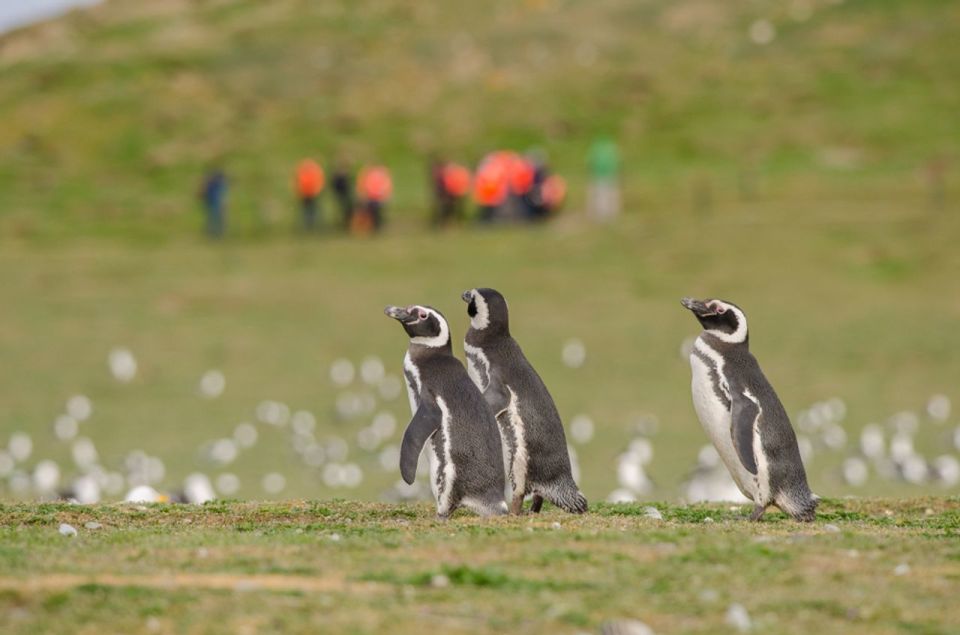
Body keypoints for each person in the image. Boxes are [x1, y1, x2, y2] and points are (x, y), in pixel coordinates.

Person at [587, 136, 620, 222]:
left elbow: (590, 162)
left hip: (601, 175)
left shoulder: (597, 149)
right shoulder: (611, 149)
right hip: (608, 175)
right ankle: (607, 214)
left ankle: (603, 214)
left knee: (602, 196)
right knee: (607, 195)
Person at [355, 164, 392, 234]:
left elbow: (386, 187)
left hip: (378, 198)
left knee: (376, 211)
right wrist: (363, 195)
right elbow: (363, 185)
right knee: (366, 210)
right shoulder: (367, 174)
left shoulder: (382, 175)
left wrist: (384, 196)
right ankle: (369, 226)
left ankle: (376, 226)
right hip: (369, 197)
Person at [473, 153, 509, 223]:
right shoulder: (484, 170)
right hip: (486, 194)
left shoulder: (497, 169)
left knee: (493, 211)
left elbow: (501, 182)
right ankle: (484, 222)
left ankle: (490, 222)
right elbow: (480, 182)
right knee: (485, 211)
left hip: (493, 194)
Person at [294, 159, 325, 231]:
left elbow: (319, 182)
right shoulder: (305, 172)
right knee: (307, 211)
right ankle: (308, 226)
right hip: (305, 194)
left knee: (312, 210)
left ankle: (312, 225)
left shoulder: (312, 172)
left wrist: (316, 191)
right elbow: (298, 183)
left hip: (312, 194)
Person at [199, 168, 227, 238]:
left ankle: (214, 233)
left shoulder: (211, 182)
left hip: (212, 202)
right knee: (215, 218)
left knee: (213, 218)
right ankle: (216, 233)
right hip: (215, 202)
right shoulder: (217, 183)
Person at [331, 161, 354, 229]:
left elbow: (349, 186)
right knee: (342, 210)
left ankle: (347, 223)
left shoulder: (346, 176)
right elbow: (335, 186)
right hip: (340, 195)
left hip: (346, 196)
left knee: (348, 210)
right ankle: (343, 223)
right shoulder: (337, 177)